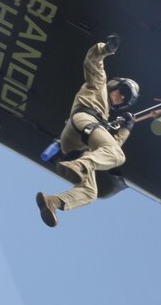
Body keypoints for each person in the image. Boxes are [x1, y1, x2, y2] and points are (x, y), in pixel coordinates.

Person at [36, 34, 140, 228]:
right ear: (115, 85)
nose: (119, 96)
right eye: (121, 90)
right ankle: (80, 166)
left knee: (91, 192)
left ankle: (53, 202)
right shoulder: (99, 84)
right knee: (117, 156)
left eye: (124, 98)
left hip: (76, 144)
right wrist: (106, 49)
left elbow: (109, 151)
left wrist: (126, 128)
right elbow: (93, 60)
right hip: (83, 121)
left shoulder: (107, 117)